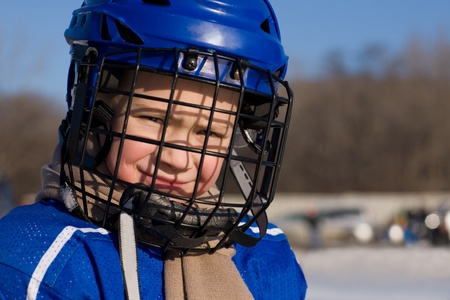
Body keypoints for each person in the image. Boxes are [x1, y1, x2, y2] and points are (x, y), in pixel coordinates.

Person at [0, 0, 307, 299]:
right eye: (154, 119)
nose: (177, 159)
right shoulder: (38, 259)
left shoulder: (266, 255)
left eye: (208, 132)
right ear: (95, 115)